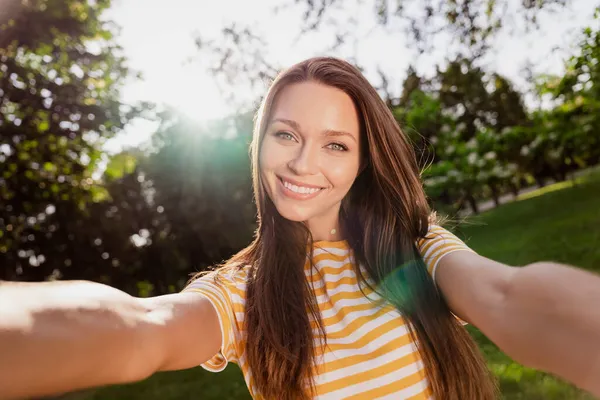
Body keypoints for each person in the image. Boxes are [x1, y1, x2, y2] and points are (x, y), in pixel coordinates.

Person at [1, 57, 600, 400]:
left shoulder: (415, 250)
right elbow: (143, 327)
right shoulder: (244, 292)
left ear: (363, 161)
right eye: (286, 134)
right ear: (260, 142)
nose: (302, 163)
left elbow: (507, 295)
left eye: (335, 145)